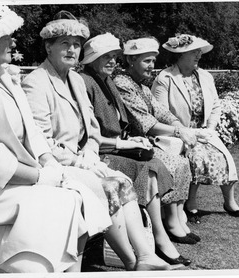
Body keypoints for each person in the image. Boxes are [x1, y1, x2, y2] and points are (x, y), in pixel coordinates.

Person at [0, 6, 113, 273]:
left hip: (8, 181)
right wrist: (39, 177)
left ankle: (61, 270)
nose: (13, 41)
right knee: (64, 200)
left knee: (82, 191)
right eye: (6, 36)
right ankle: (18, 267)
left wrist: (48, 161)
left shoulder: (3, 77)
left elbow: (32, 131)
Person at [21, 11, 170, 271]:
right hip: (56, 166)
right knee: (109, 186)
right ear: (48, 46)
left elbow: (91, 128)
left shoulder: (76, 79)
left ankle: (144, 256)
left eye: (77, 45)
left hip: (83, 160)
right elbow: (41, 141)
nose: (72, 50)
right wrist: (81, 161)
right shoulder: (35, 82)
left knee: (122, 182)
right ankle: (133, 261)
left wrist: (90, 154)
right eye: (64, 44)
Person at [79, 32, 194, 265]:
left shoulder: (107, 79)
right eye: (105, 56)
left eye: (114, 56)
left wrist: (135, 138)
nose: (112, 61)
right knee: (148, 169)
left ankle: (159, 236)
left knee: (153, 163)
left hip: (116, 146)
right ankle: (159, 241)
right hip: (100, 152)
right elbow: (91, 135)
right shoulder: (86, 80)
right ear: (91, 58)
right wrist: (127, 141)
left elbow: (145, 114)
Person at [151, 33, 239, 223]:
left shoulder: (204, 76)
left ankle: (230, 203)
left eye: (199, 52)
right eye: (193, 52)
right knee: (196, 158)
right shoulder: (165, 78)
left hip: (205, 131)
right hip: (179, 133)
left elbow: (215, 105)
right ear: (180, 54)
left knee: (224, 158)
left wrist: (210, 129)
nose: (198, 55)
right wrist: (185, 131)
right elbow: (160, 112)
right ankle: (191, 205)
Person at [112, 38, 198, 241]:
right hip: (131, 143)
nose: (152, 67)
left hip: (146, 140)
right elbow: (146, 123)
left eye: (153, 61)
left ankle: (177, 217)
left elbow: (162, 113)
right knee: (175, 162)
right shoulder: (123, 84)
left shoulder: (142, 87)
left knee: (183, 160)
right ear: (131, 60)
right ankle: (170, 221)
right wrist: (178, 133)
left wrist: (180, 127)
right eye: (146, 61)